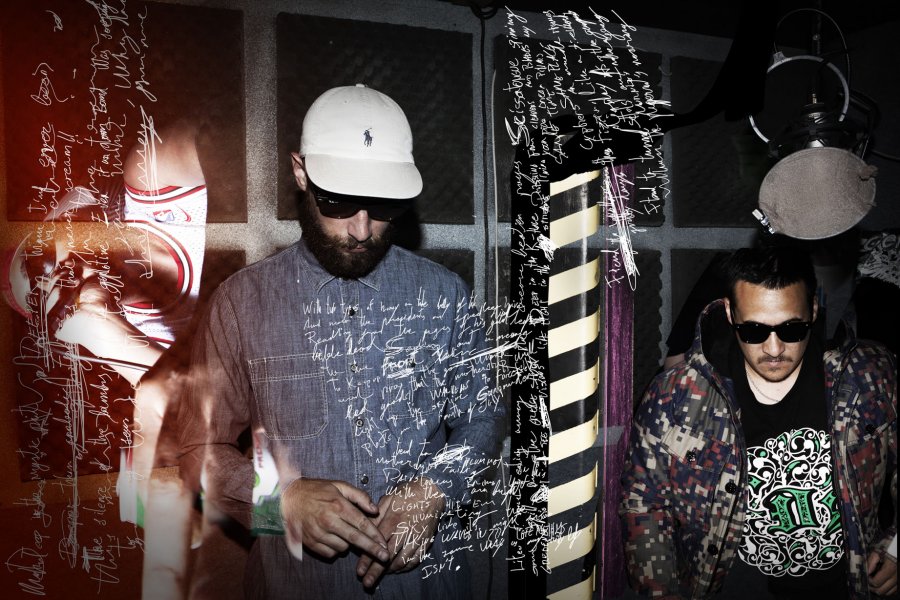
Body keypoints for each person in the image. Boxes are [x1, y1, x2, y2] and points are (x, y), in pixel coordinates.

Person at [178, 84, 505, 599]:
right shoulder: (240, 304)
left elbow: (483, 419)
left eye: (382, 206)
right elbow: (198, 452)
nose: (361, 229)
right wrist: (279, 503)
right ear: (300, 172)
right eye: (338, 202)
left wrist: (436, 491)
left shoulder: (445, 294)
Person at [620, 244, 897, 599]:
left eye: (792, 329)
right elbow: (643, 501)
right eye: (754, 331)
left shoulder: (870, 375)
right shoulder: (675, 397)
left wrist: (895, 548)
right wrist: (662, 591)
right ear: (730, 313)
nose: (774, 348)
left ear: (813, 309)